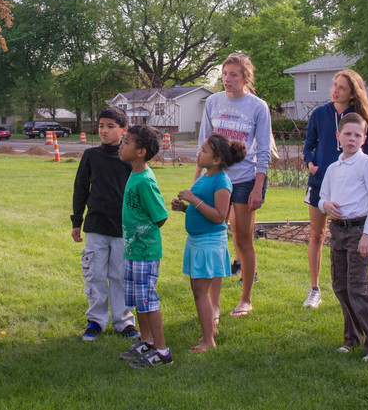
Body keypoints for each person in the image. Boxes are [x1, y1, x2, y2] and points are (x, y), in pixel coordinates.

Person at [196, 53, 271, 317]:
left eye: (233, 75)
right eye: (225, 74)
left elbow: (263, 150)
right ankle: (214, 304)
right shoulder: (213, 101)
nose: (227, 79)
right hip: (216, 178)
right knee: (216, 238)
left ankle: (246, 299)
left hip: (244, 180)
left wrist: (258, 186)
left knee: (242, 239)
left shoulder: (258, 106)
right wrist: (198, 178)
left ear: (246, 77)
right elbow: (204, 142)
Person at [318, 113, 368, 362]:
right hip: (338, 231)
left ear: (364, 139)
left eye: (357, 135)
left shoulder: (367, 163)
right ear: (338, 136)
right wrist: (326, 205)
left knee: (359, 288)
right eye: (347, 134)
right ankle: (352, 337)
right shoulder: (333, 168)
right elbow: (322, 198)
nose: (352, 139)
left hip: (359, 232)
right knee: (341, 286)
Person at [302, 69, 368, 309]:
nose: (335, 90)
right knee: (317, 234)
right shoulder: (319, 114)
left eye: (342, 87)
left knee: (348, 237)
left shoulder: (360, 118)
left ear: (353, 93)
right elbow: (309, 144)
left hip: (350, 189)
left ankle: (355, 288)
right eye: (335, 85)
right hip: (320, 182)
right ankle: (314, 289)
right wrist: (311, 164)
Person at [170, 133, 244, 351]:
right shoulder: (205, 176)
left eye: (204, 151)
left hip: (209, 242)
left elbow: (219, 216)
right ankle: (210, 330)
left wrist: (193, 199)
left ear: (217, 160)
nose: (198, 153)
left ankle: (208, 341)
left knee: (200, 291)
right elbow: (203, 209)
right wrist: (185, 208)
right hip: (197, 241)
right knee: (197, 289)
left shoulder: (222, 181)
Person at [70, 107, 137, 342]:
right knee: (95, 274)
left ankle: (123, 321)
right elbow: (80, 189)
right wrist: (77, 220)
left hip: (122, 228)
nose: (104, 131)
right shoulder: (91, 156)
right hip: (96, 226)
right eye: (101, 126)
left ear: (123, 130)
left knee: (120, 275)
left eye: (110, 126)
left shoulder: (129, 159)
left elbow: (139, 191)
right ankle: (96, 320)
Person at [116, 125, 171, 367]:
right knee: (139, 301)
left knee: (148, 301)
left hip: (145, 253)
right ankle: (146, 341)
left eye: (126, 142)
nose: (121, 145)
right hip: (133, 251)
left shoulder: (146, 181)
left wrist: (143, 236)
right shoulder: (134, 174)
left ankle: (162, 351)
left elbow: (160, 216)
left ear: (141, 152)